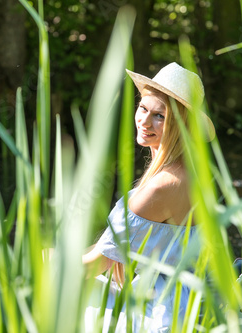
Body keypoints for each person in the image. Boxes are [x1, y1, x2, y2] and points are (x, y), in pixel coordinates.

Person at [82, 62, 215, 332]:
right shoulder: (194, 174)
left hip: (156, 316)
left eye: (160, 116)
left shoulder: (163, 186)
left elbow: (95, 265)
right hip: (182, 305)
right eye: (143, 108)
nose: (144, 121)